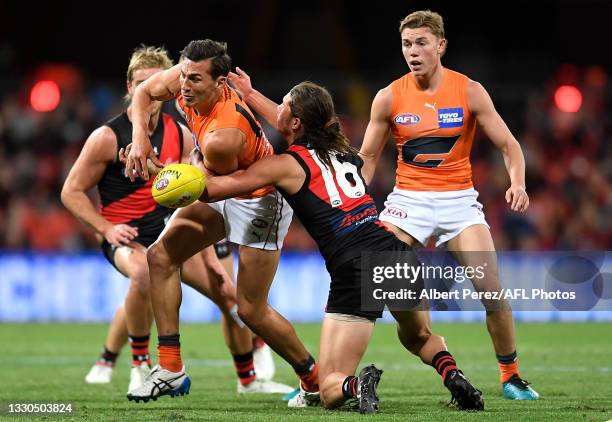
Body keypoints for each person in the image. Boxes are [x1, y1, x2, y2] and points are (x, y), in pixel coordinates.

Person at [201, 76, 485, 412]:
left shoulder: (284, 166)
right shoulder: (342, 151)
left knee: (329, 388)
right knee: (418, 336)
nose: (278, 106)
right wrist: (249, 94)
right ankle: (452, 373)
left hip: (355, 267)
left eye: (285, 102)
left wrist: (179, 166)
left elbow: (213, 190)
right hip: (396, 252)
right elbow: (285, 117)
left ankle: (356, 383)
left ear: (295, 122)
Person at [61, 45, 283, 395]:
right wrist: (106, 228)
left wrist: (210, 258)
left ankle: (248, 379)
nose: (146, 91)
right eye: (138, 83)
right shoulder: (106, 137)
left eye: (153, 82)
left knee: (226, 295)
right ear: (129, 88)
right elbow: (70, 191)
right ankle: (139, 365)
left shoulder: (180, 131)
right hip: (126, 234)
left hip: (167, 224)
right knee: (145, 273)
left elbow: (193, 190)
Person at [123, 39, 319, 403]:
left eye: (195, 80)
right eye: (183, 75)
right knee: (160, 257)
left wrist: (157, 173)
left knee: (250, 310)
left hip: (258, 202)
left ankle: (313, 377)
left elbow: (209, 188)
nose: (184, 86)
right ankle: (170, 368)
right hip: (213, 183)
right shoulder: (185, 84)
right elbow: (143, 96)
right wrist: (139, 141)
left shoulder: (224, 135)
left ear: (220, 82)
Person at [358, 10, 539, 400]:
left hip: (459, 203)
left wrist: (518, 182)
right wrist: (355, 198)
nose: (413, 51)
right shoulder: (388, 96)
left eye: (421, 42)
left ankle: (511, 377)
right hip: (408, 203)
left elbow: (509, 146)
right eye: (407, 44)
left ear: (440, 45)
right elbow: (368, 158)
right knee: (381, 285)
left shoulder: (469, 90)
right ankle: (416, 347)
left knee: (491, 292)